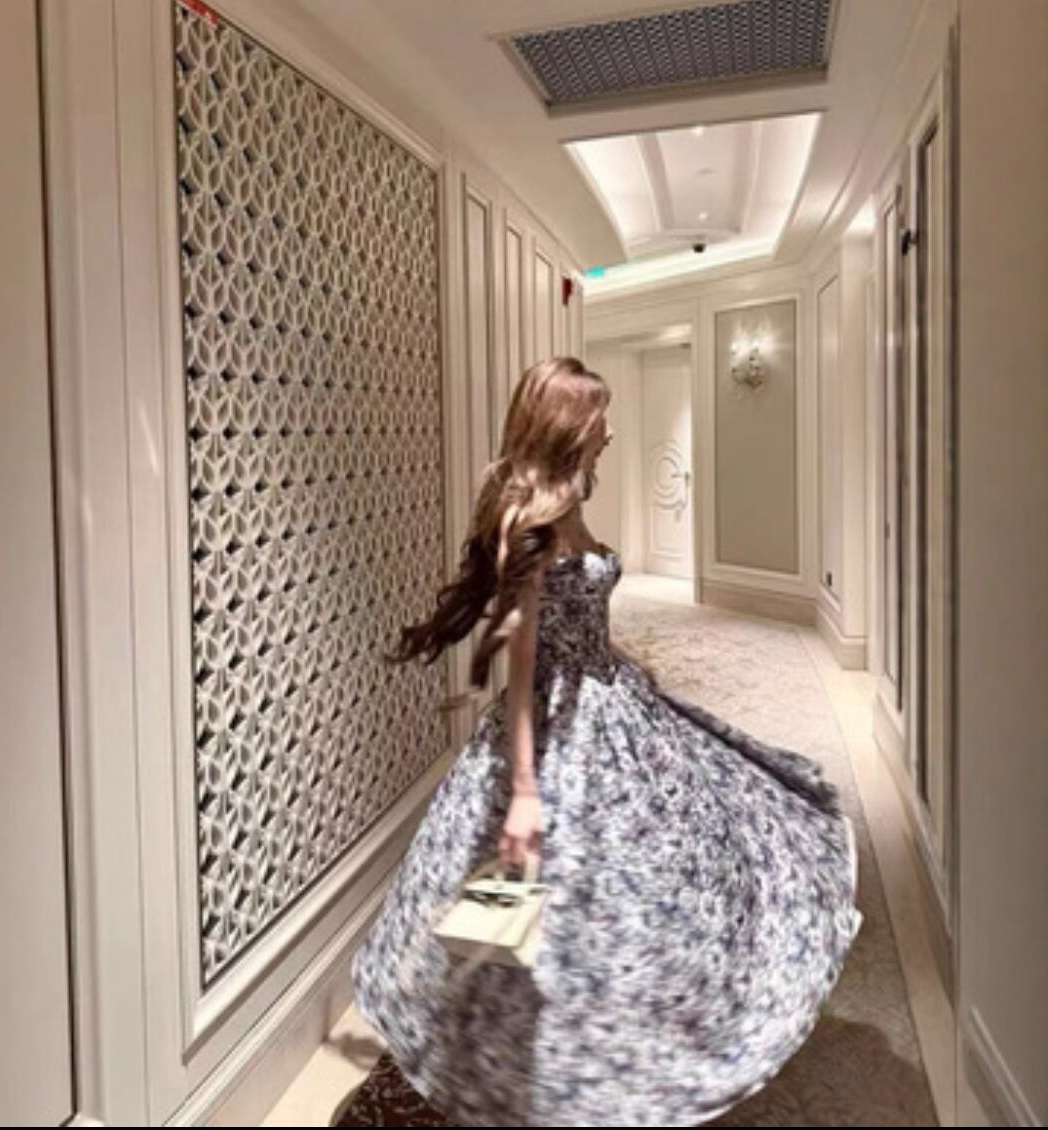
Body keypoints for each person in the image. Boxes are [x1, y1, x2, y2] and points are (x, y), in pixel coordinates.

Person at [352, 356, 861, 1126]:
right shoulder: (531, 520)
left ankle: (621, 1035)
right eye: (601, 416)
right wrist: (525, 790)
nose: (612, 429)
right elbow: (521, 665)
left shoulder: (569, 496)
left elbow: (578, 619)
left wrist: (622, 660)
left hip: (608, 693)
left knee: (665, 859)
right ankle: (501, 1061)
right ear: (569, 423)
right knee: (528, 897)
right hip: (560, 728)